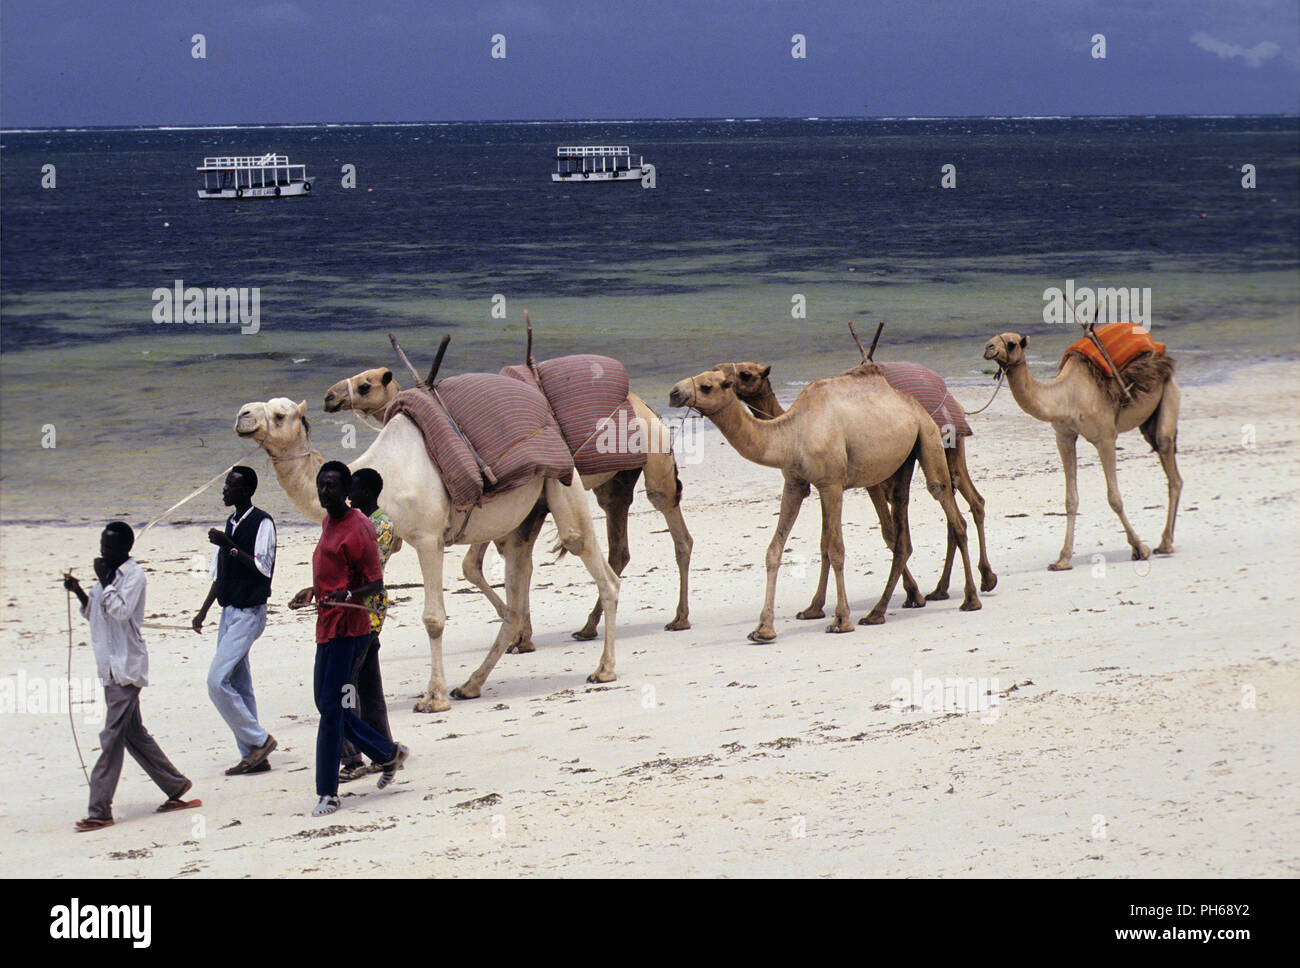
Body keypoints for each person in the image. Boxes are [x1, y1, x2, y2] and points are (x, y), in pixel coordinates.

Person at [289, 461, 407, 817]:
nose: (325, 491)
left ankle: (328, 792)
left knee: (330, 712)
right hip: (326, 626)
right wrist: (313, 591)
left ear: (346, 491)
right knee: (327, 704)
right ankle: (387, 753)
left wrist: (347, 596)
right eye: (321, 485)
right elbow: (333, 573)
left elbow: (375, 583)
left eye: (332, 486)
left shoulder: (361, 527)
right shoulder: (327, 522)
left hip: (352, 630)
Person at [63, 522, 199, 832]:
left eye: (109, 547)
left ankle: (99, 808)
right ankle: (175, 786)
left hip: (126, 668)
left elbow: (122, 613)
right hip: (110, 668)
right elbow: (95, 614)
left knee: (111, 737)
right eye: (102, 546)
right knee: (133, 734)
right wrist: (81, 591)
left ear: (125, 548)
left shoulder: (133, 576)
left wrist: (104, 581)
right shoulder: (108, 577)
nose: (103, 552)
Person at [193, 466, 277, 775]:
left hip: (249, 613)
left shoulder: (262, 522)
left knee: (217, 681)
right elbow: (220, 574)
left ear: (246, 490)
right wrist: (203, 611)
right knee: (239, 683)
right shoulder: (231, 522)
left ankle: (260, 740)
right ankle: (254, 755)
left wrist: (228, 545)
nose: (225, 489)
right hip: (229, 612)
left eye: (231, 485)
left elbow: (262, 567)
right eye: (227, 483)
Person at [338, 467, 397, 782]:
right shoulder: (362, 522)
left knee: (347, 684)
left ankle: (352, 757)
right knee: (368, 684)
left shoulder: (380, 525)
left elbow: (365, 569)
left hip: (366, 610)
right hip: (360, 607)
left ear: (370, 491)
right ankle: (384, 748)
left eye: (355, 489)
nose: (350, 494)